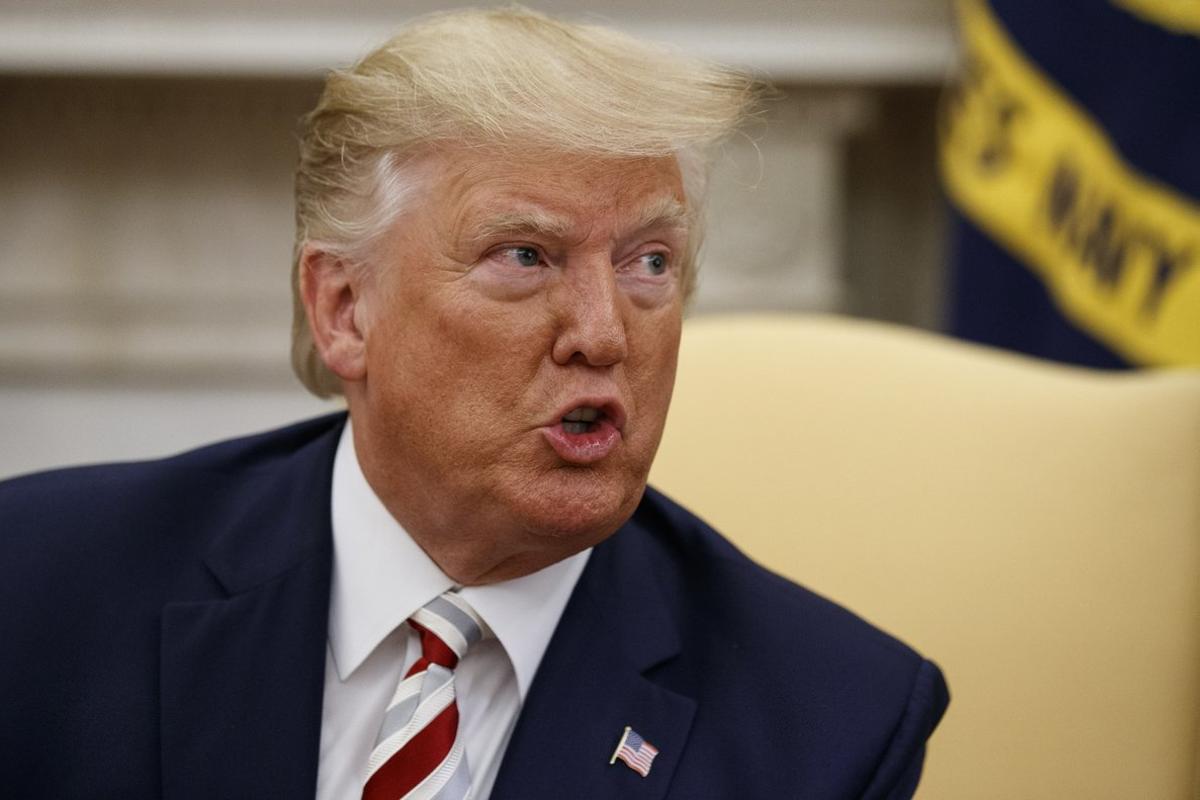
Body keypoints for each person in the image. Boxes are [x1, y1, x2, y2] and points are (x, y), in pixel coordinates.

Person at [0, 8, 948, 799]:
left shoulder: (832, 725)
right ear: (344, 309)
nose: (603, 333)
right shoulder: (42, 587)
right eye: (525, 257)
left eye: (647, 264)